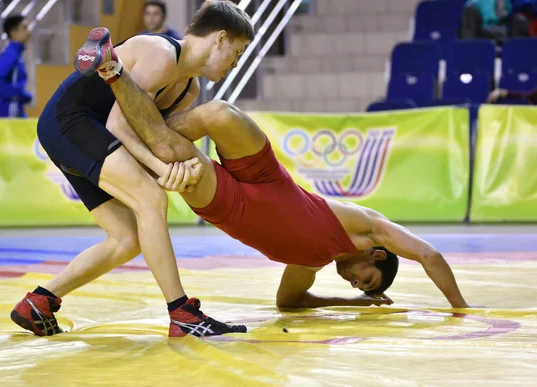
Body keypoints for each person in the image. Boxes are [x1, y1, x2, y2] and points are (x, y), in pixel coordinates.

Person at [70, 28, 472, 312]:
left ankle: (112, 70)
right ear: (377, 255)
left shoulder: (309, 265)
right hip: (268, 177)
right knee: (218, 113)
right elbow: (429, 255)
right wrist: (463, 309)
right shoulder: (368, 227)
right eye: (367, 280)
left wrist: (353, 303)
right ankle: (130, 126)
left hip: (230, 204)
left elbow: (289, 304)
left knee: (173, 151)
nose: (356, 284)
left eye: (361, 288)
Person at [10, 0, 254, 338]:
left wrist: (170, 169)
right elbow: (120, 125)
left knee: (127, 238)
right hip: (72, 120)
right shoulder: (161, 53)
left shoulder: (189, 88)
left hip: (88, 130)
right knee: (151, 201)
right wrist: (161, 171)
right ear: (220, 38)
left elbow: (151, 136)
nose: (235, 63)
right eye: (237, 52)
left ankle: (39, 302)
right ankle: (182, 313)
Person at [0, 14, 32, 118]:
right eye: (24, 28)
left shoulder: (16, 53)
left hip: (15, 108)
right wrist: (16, 95)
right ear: (13, 32)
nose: (28, 32)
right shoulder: (11, 54)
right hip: (9, 109)